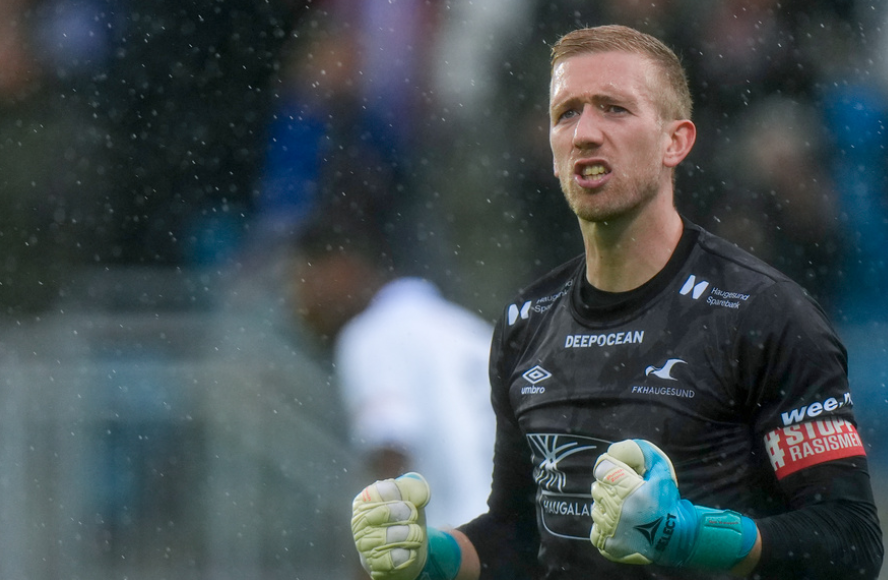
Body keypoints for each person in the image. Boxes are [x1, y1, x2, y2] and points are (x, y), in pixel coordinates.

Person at [349, 24, 884, 580]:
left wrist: (691, 536)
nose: (584, 132)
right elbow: (518, 532)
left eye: (613, 109)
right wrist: (429, 556)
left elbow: (851, 541)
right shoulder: (526, 321)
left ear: (675, 141)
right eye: (566, 113)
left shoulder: (766, 313)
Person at [291, 222, 496, 529]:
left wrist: (376, 567)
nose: (299, 305)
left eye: (302, 280)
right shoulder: (465, 328)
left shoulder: (372, 335)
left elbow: (391, 458)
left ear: (342, 268)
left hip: (460, 549)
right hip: (523, 541)